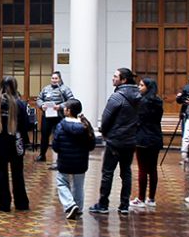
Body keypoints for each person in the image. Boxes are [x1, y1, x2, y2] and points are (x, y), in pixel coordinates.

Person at [89, 68, 140, 216]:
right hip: (130, 140)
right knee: (126, 172)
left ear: (123, 80)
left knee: (107, 173)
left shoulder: (117, 97)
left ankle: (103, 204)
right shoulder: (138, 96)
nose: (113, 78)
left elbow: (106, 118)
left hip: (115, 140)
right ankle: (124, 205)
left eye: (115, 76)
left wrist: (104, 132)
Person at [0, 76, 31, 212]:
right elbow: (25, 126)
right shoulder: (20, 104)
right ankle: (21, 203)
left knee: (1, 175)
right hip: (15, 142)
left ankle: (4, 204)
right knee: (18, 174)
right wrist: (24, 142)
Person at [53, 99, 97, 220]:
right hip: (80, 162)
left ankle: (70, 204)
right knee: (78, 186)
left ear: (68, 111)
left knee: (62, 183)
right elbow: (91, 145)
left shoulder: (61, 125)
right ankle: (78, 208)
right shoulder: (85, 126)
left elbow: (56, 146)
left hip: (65, 161)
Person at [130, 77, 163, 208]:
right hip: (155, 137)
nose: (139, 87)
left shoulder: (142, 102)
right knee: (153, 169)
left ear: (148, 87)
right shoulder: (158, 101)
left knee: (142, 169)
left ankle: (141, 198)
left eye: (141, 85)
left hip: (142, 137)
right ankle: (151, 198)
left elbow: (138, 120)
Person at [36, 71, 74, 165]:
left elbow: (71, 101)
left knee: (59, 137)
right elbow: (39, 99)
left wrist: (60, 106)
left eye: (56, 78)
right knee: (44, 136)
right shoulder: (46, 89)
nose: (54, 80)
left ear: (60, 79)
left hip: (59, 117)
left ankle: (60, 158)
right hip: (47, 116)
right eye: (52, 78)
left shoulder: (65, 89)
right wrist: (41, 105)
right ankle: (42, 155)